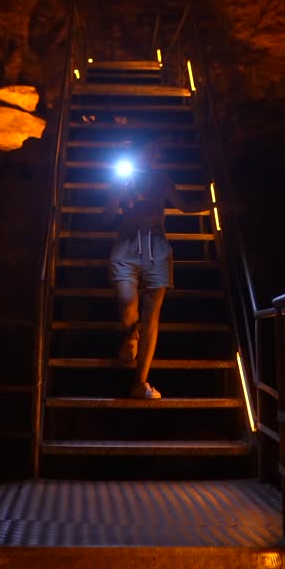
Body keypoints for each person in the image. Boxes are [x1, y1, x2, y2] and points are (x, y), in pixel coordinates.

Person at [102, 140, 207, 399]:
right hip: (127, 246)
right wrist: (118, 192)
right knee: (127, 304)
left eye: (155, 152)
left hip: (156, 249)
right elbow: (105, 217)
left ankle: (140, 382)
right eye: (147, 152)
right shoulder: (121, 179)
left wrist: (217, 200)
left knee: (151, 317)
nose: (153, 156)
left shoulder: (161, 178)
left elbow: (184, 204)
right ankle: (130, 333)